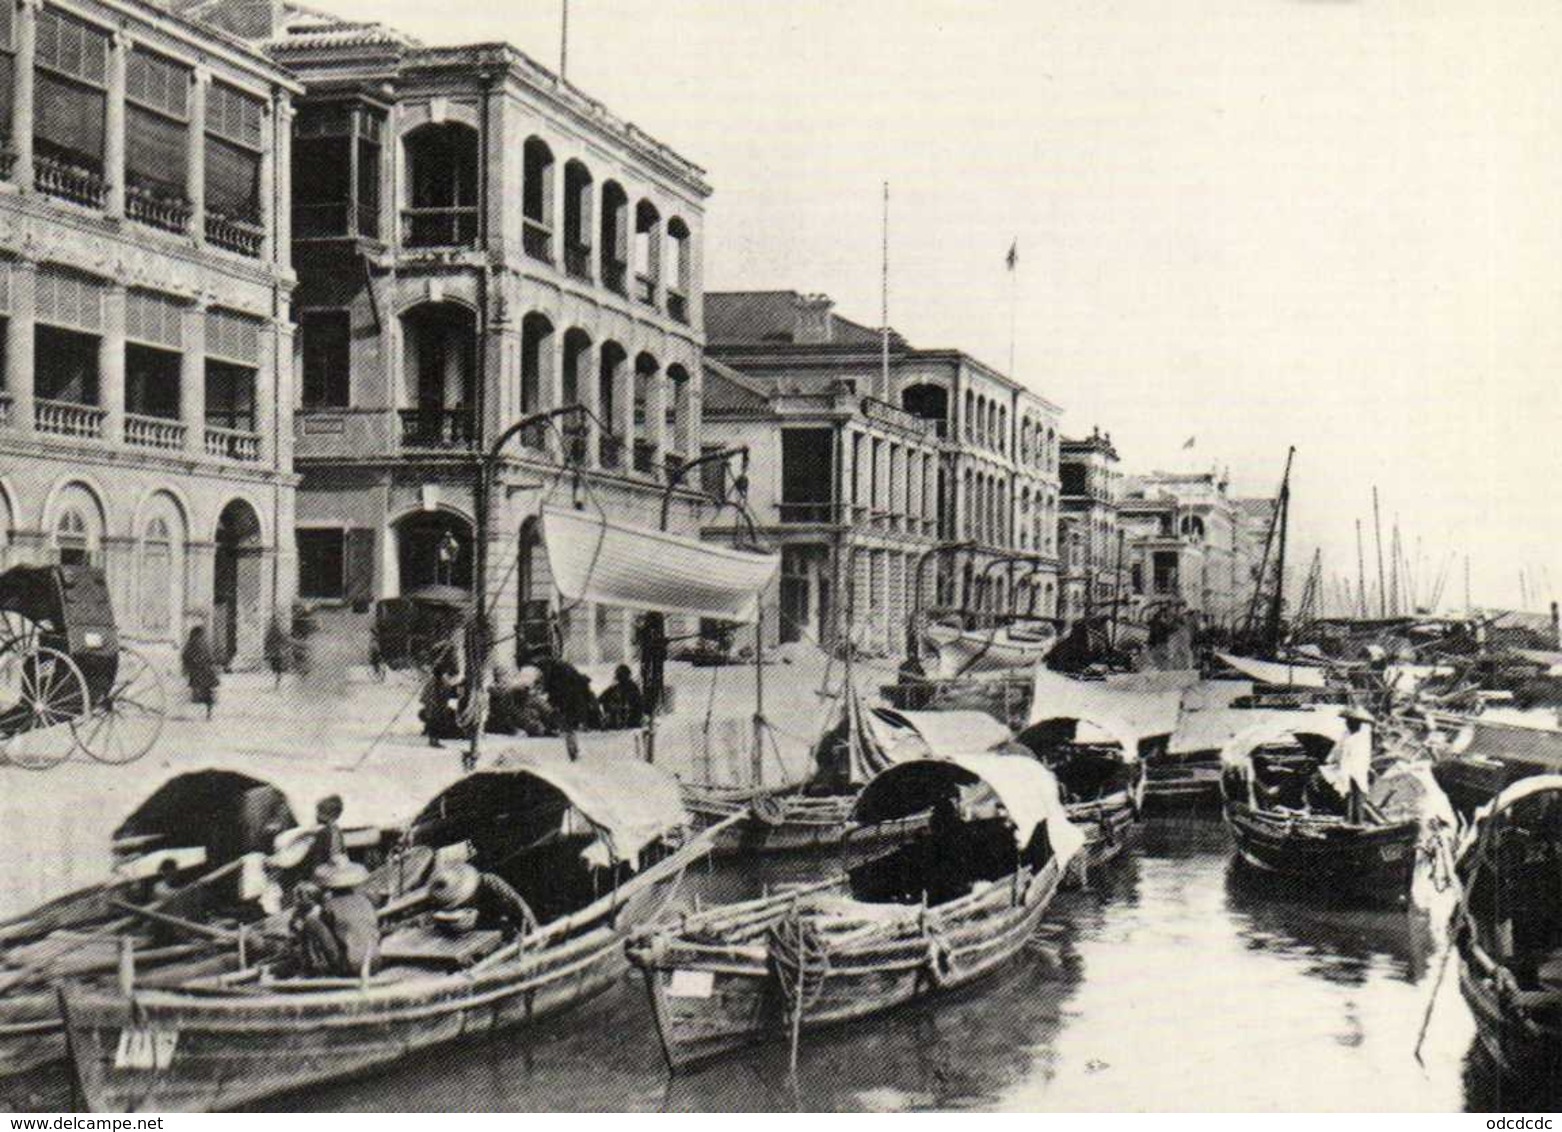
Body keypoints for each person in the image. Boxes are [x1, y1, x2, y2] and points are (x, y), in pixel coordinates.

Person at [295, 860, 380, 978]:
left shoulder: (330, 905)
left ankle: (309, 968)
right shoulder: (365, 901)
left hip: (349, 967)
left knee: (311, 921)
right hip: (374, 963)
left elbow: (325, 933)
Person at [428, 862, 539, 941]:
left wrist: (533, 933)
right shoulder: (444, 895)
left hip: (502, 921)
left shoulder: (490, 882)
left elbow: (519, 906)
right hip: (475, 928)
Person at [299, 795, 347, 877]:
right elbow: (341, 849)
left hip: (325, 866)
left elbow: (316, 854)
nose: (316, 816)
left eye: (318, 813)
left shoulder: (322, 831)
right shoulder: (336, 829)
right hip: (339, 862)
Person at [180, 624, 220, 720]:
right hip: (206, 672)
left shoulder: (190, 644)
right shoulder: (204, 644)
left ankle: (205, 713)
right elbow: (210, 657)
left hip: (198, 672)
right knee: (208, 695)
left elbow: (185, 657)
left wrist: (186, 669)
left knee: (201, 693)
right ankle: (208, 714)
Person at [598, 664, 645, 731]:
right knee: (608, 701)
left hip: (631, 718)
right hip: (621, 716)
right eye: (618, 674)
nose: (618, 677)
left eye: (620, 674)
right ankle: (612, 721)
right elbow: (601, 698)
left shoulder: (632, 687)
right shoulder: (616, 687)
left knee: (616, 703)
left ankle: (615, 721)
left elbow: (631, 703)